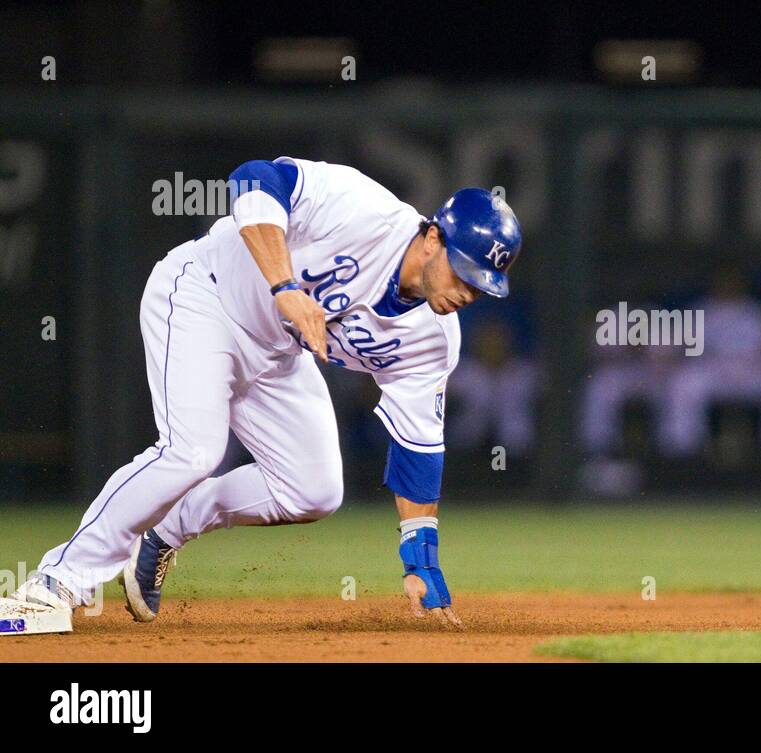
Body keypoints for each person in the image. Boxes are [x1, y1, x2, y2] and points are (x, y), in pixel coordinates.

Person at [1, 158, 521, 635]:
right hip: (205, 295)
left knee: (314, 491)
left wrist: (421, 561)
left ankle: (166, 528)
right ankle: (55, 583)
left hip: (275, 353)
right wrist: (284, 286)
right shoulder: (364, 210)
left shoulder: (433, 339)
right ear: (432, 238)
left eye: (483, 286)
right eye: (464, 272)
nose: (469, 293)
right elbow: (254, 177)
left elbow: (418, 449)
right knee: (193, 451)